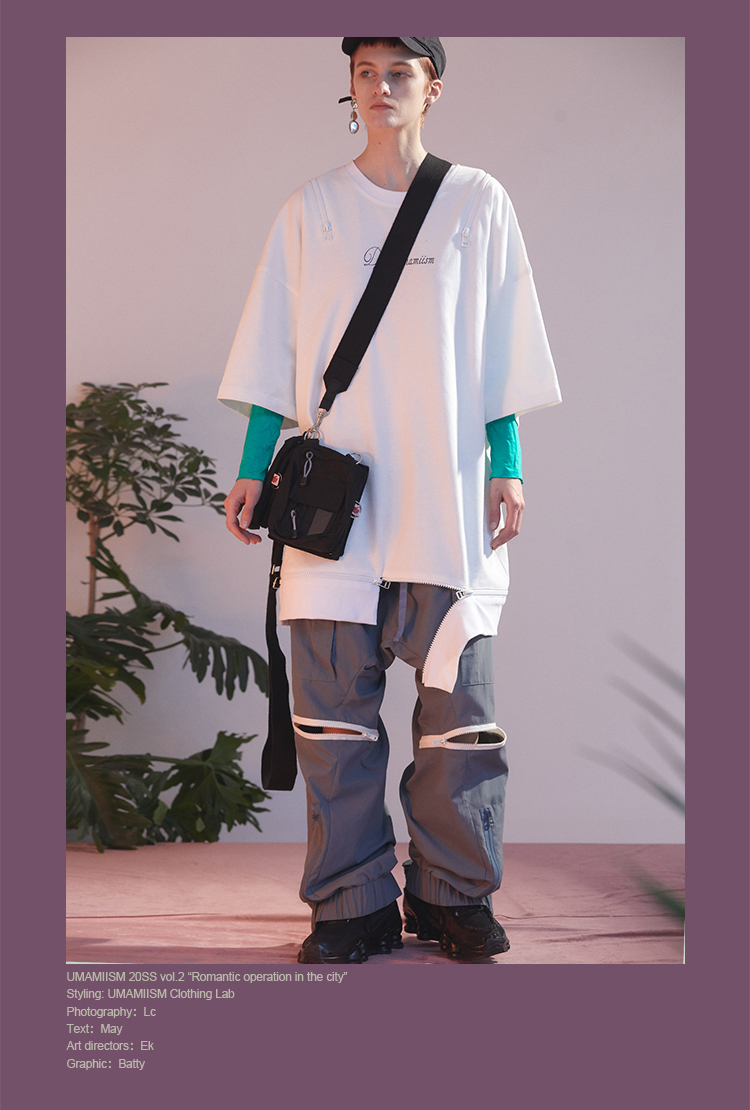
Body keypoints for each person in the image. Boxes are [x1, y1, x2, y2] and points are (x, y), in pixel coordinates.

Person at [219, 37, 561, 963]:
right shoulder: (311, 209)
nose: (379, 87)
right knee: (332, 726)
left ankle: (454, 898)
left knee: (461, 725)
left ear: (432, 87)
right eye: (365, 73)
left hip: (446, 497)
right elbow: (272, 351)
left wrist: (507, 461)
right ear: (351, 88)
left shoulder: (477, 201)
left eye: (398, 72)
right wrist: (253, 464)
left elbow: (501, 344)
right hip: (335, 513)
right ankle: (351, 905)